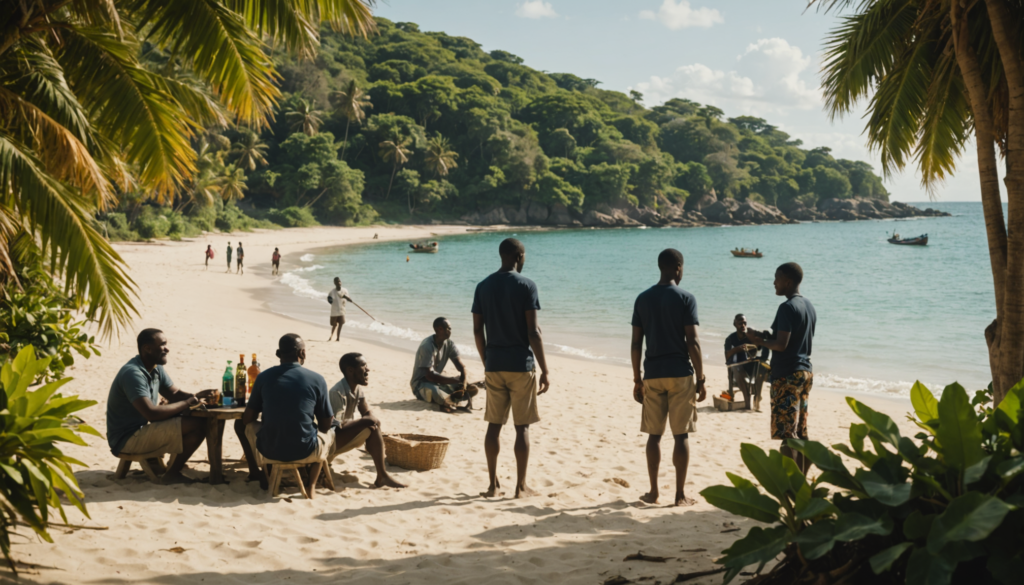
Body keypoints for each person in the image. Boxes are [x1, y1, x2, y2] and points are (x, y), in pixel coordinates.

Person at [472, 238, 550, 499]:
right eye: (524, 255)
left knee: (493, 426)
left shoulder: (483, 286)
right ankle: (520, 486)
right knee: (522, 428)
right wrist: (545, 369)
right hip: (520, 365)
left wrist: (486, 361)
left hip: (495, 364)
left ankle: (493, 486)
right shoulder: (527, 285)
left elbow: (477, 330)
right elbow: (533, 332)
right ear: (519, 256)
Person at [630, 249, 706, 507]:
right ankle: (680, 495)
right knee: (680, 435)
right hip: (680, 375)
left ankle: (653, 493)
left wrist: (636, 379)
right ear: (677, 267)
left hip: (652, 374)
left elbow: (635, 344)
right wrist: (702, 377)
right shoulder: (686, 298)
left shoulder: (642, 299)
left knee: (654, 435)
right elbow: (693, 342)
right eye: (682, 268)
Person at [106, 329, 217, 484]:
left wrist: (197, 396)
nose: (167, 349)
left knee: (190, 417)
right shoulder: (133, 374)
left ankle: (173, 466)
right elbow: (152, 414)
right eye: (163, 344)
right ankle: (172, 473)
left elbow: (174, 393)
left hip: (141, 430)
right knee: (197, 424)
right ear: (147, 349)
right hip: (126, 439)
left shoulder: (155, 368)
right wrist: (187, 403)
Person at [235, 334, 335, 493]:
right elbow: (325, 424)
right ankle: (312, 481)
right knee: (330, 432)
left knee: (242, 424)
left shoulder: (263, 377)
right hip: (305, 450)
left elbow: (248, 418)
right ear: (302, 354)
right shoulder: (317, 379)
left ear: (278, 354)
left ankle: (258, 471)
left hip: (269, 449)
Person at [748, 262, 817, 473]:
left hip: (787, 375)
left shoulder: (786, 307)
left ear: (787, 282)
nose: (773, 283)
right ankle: (802, 484)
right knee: (801, 432)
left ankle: (790, 485)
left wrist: (758, 342)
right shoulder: (808, 306)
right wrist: (763, 335)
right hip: (805, 372)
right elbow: (783, 337)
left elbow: (781, 345)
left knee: (787, 435)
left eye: (776, 278)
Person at [328, 353, 406, 488]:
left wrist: (371, 421)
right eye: (363, 366)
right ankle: (382, 475)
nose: (368, 369)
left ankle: (382, 476)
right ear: (350, 370)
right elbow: (336, 427)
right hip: (330, 442)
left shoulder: (356, 388)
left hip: (343, 436)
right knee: (370, 423)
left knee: (372, 425)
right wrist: (368, 421)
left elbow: (367, 412)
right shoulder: (337, 392)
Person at [411, 317, 478, 412]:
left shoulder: (449, 344)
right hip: (420, 384)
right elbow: (429, 376)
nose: (450, 330)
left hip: (437, 382)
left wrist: (463, 382)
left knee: (469, 386)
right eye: (448, 328)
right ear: (439, 329)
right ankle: (447, 400)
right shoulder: (427, 346)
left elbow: (461, 367)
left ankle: (450, 398)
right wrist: (453, 381)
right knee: (434, 390)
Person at [724, 314, 769, 411]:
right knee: (737, 368)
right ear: (735, 324)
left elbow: (762, 346)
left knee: (761, 366)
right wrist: (738, 349)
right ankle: (747, 400)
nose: (743, 325)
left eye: (745, 323)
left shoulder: (749, 336)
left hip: (750, 367)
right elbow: (727, 356)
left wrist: (758, 340)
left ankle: (757, 398)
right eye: (740, 323)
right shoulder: (730, 339)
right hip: (736, 368)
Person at [327, 277, 353, 341]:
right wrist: (330, 299)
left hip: (342, 310)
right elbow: (329, 300)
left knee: (341, 324)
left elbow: (348, 297)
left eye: (339, 281)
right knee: (334, 324)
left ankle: (338, 338)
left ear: (341, 282)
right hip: (334, 311)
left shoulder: (345, 290)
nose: (339, 282)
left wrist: (348, 299)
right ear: (334, 283)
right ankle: (331, 336)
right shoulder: (332, 292)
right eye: (337, 281)